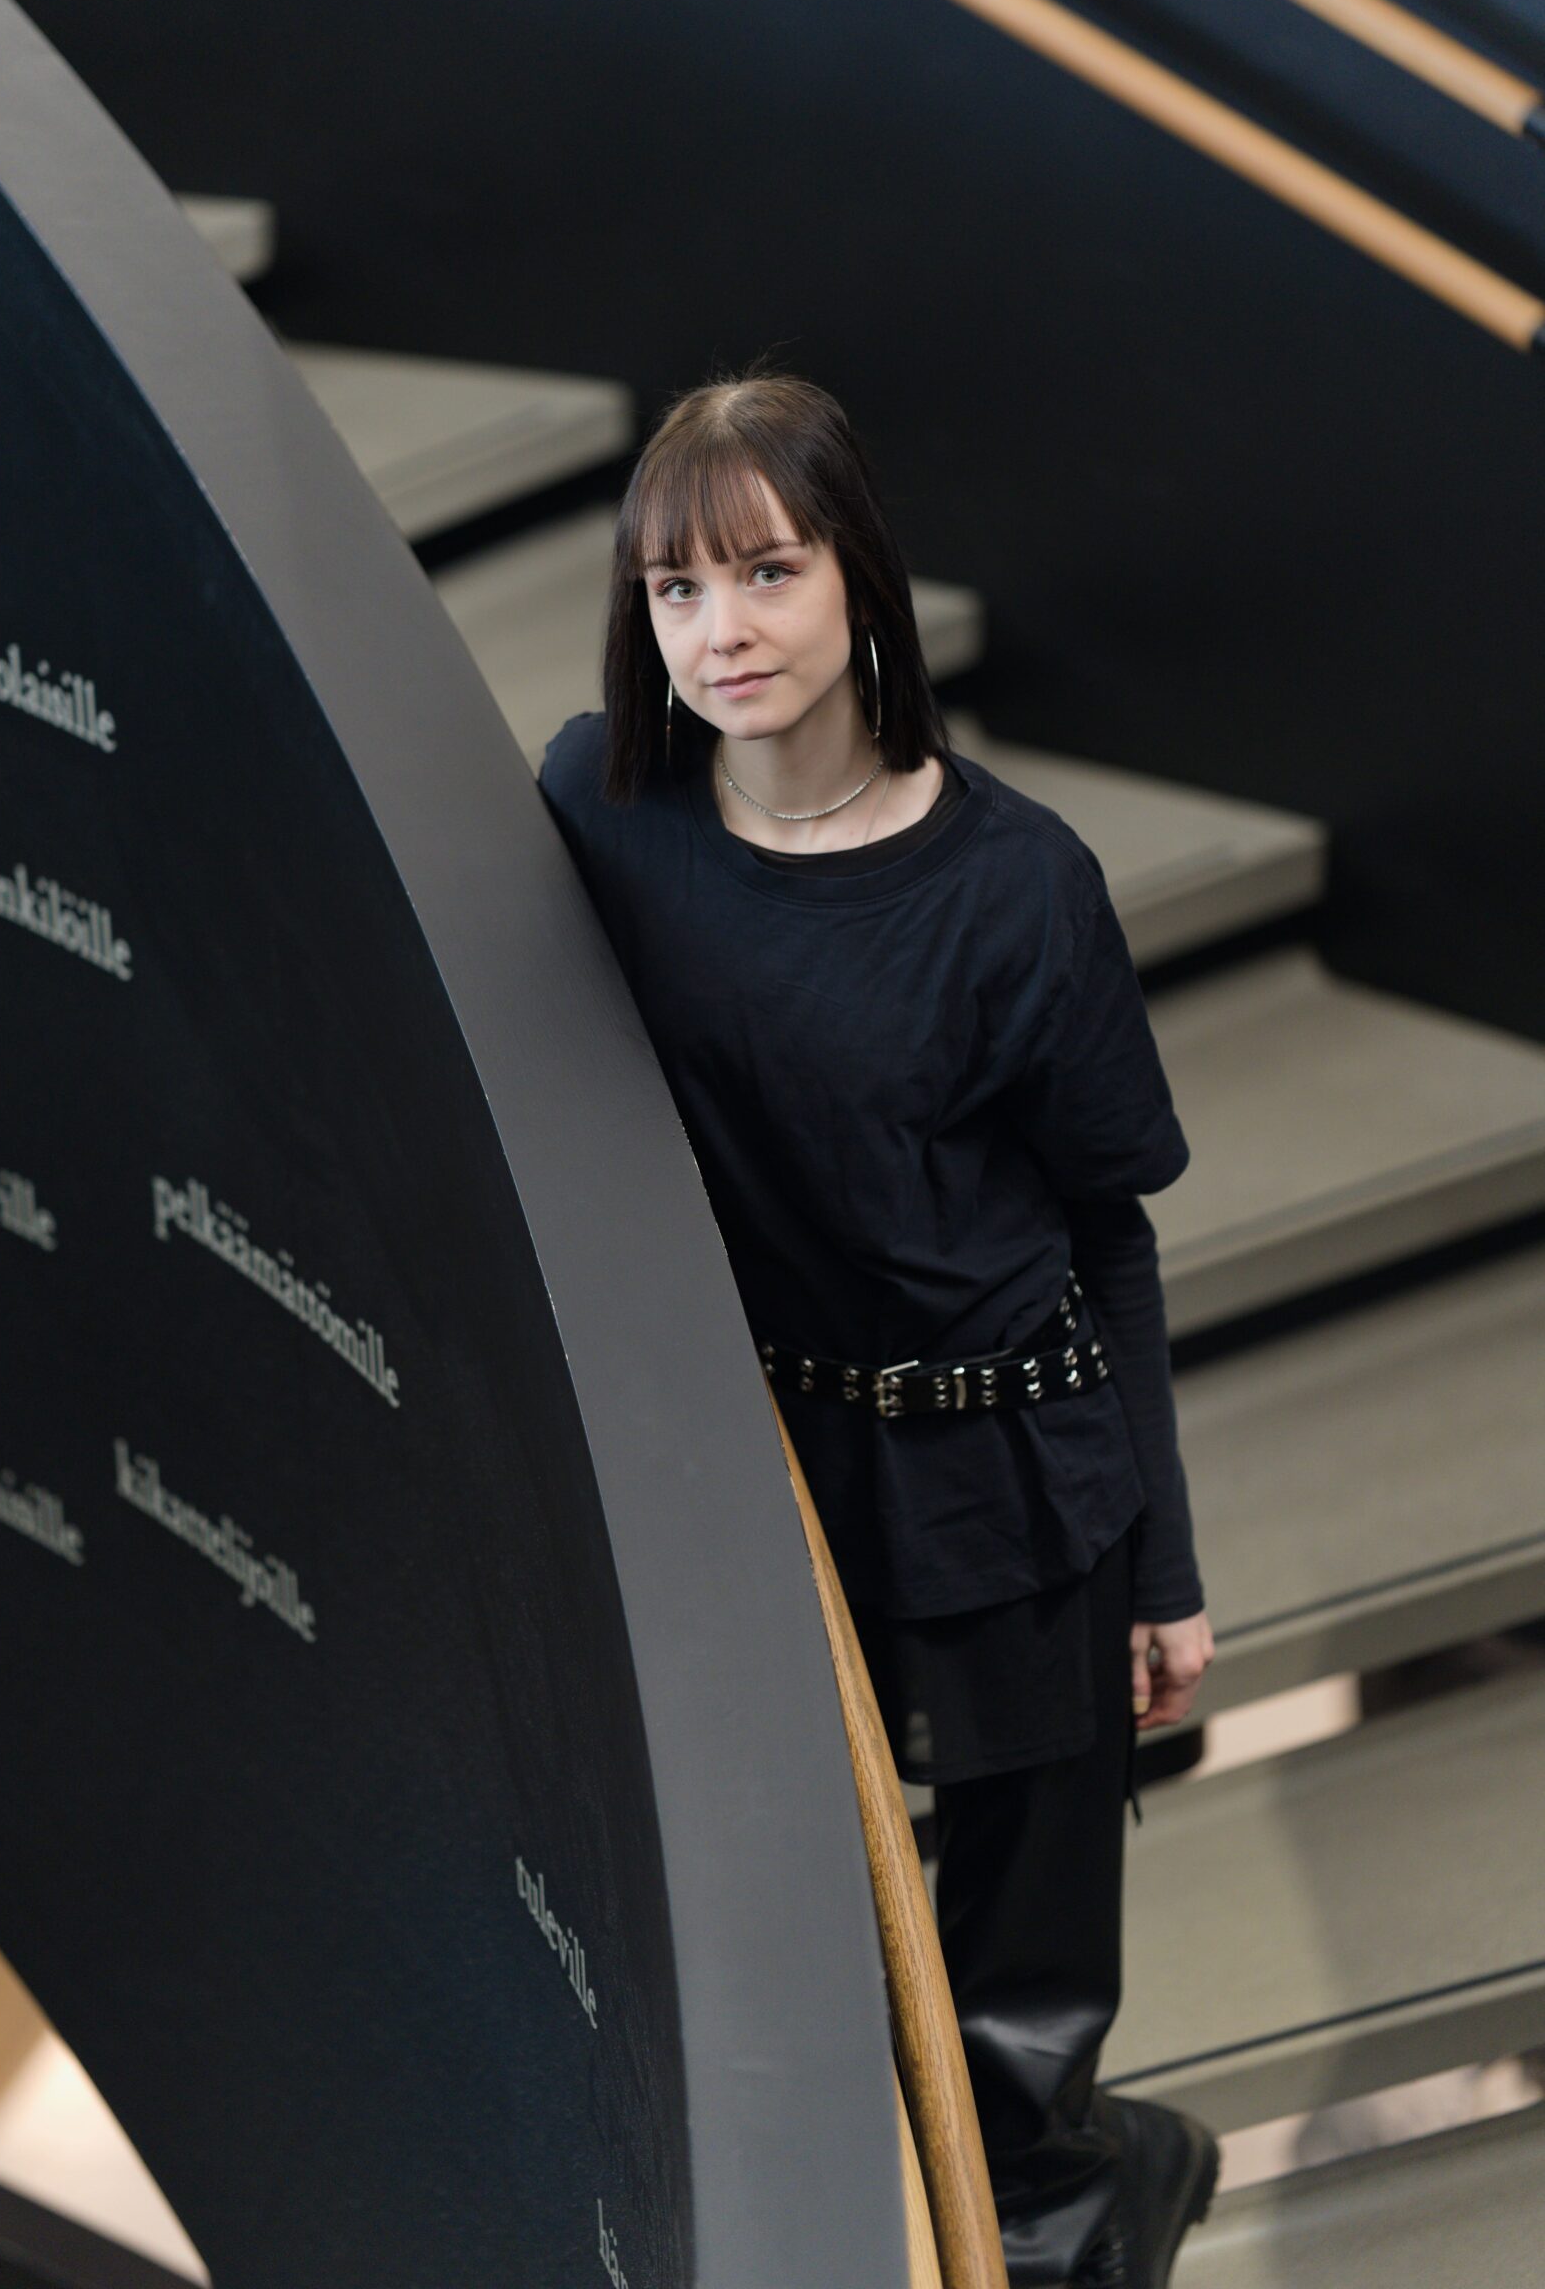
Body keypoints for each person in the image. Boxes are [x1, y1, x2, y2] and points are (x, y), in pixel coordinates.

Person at [537, 372, 1218, 2289]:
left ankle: (1082, 2215)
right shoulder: (605, 813)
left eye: (766, 570)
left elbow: (1112, 1236)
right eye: (676, 588)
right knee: (796, 1930)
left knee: (1023, 1961)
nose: (721, 631)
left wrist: (1164, 1562)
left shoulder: (1018, 890)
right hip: (777, 1468)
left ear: (862, 582)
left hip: (1019, 1468)